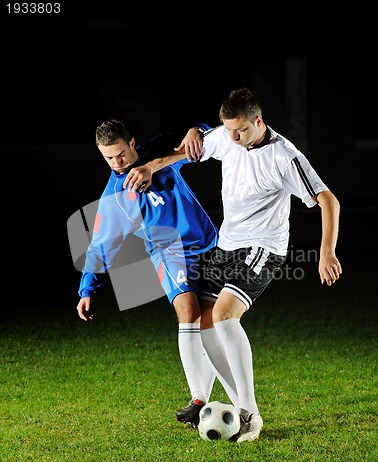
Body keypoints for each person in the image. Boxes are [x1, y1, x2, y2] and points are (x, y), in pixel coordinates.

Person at [125, 88, 342, 443]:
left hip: (262, 248)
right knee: (202, 322)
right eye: (228, 130)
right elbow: (183, 153)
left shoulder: (285, 157)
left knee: (225, 315)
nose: (233, 138)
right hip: (226, 246)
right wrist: (149, 166)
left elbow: (327, 199)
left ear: (258, 121)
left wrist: (327, 251)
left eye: (240, 131)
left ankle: (250, 415)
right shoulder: (227, 138)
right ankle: (241, 407)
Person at [76, 118, 239, 428]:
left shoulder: (160, 152)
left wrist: (197, 129)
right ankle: (198, 399)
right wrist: (86, 290)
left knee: (212, 322)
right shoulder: (115, 195)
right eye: (108, 157)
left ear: (133, 143)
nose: (117, 162)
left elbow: (204, 137)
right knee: (187, 310)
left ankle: (228, 403)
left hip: (210, 245)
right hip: (170, 254)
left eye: (121, 154)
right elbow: (100, 245)